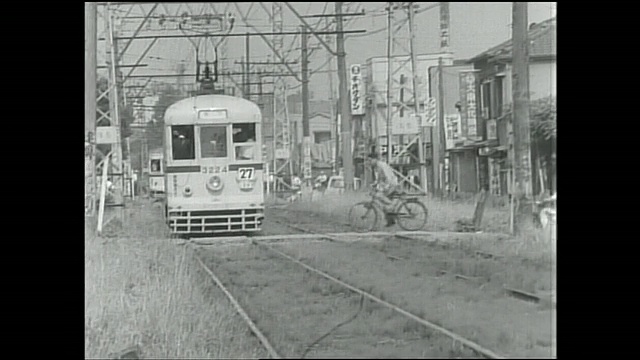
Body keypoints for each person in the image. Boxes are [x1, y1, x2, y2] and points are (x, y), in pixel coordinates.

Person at [366, 153, 402, 226]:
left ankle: (391, 206)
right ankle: (390, 220)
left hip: (392, 184)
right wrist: (374, 184)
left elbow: (388, 177)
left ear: (375, 159)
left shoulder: (382, 165)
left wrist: (385, 188)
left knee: (379, 196)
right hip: (388, 184)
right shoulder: (377, 167)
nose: (369, 162)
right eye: (368, 161)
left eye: (370, 160)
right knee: (381, 200)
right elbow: (379, 179)